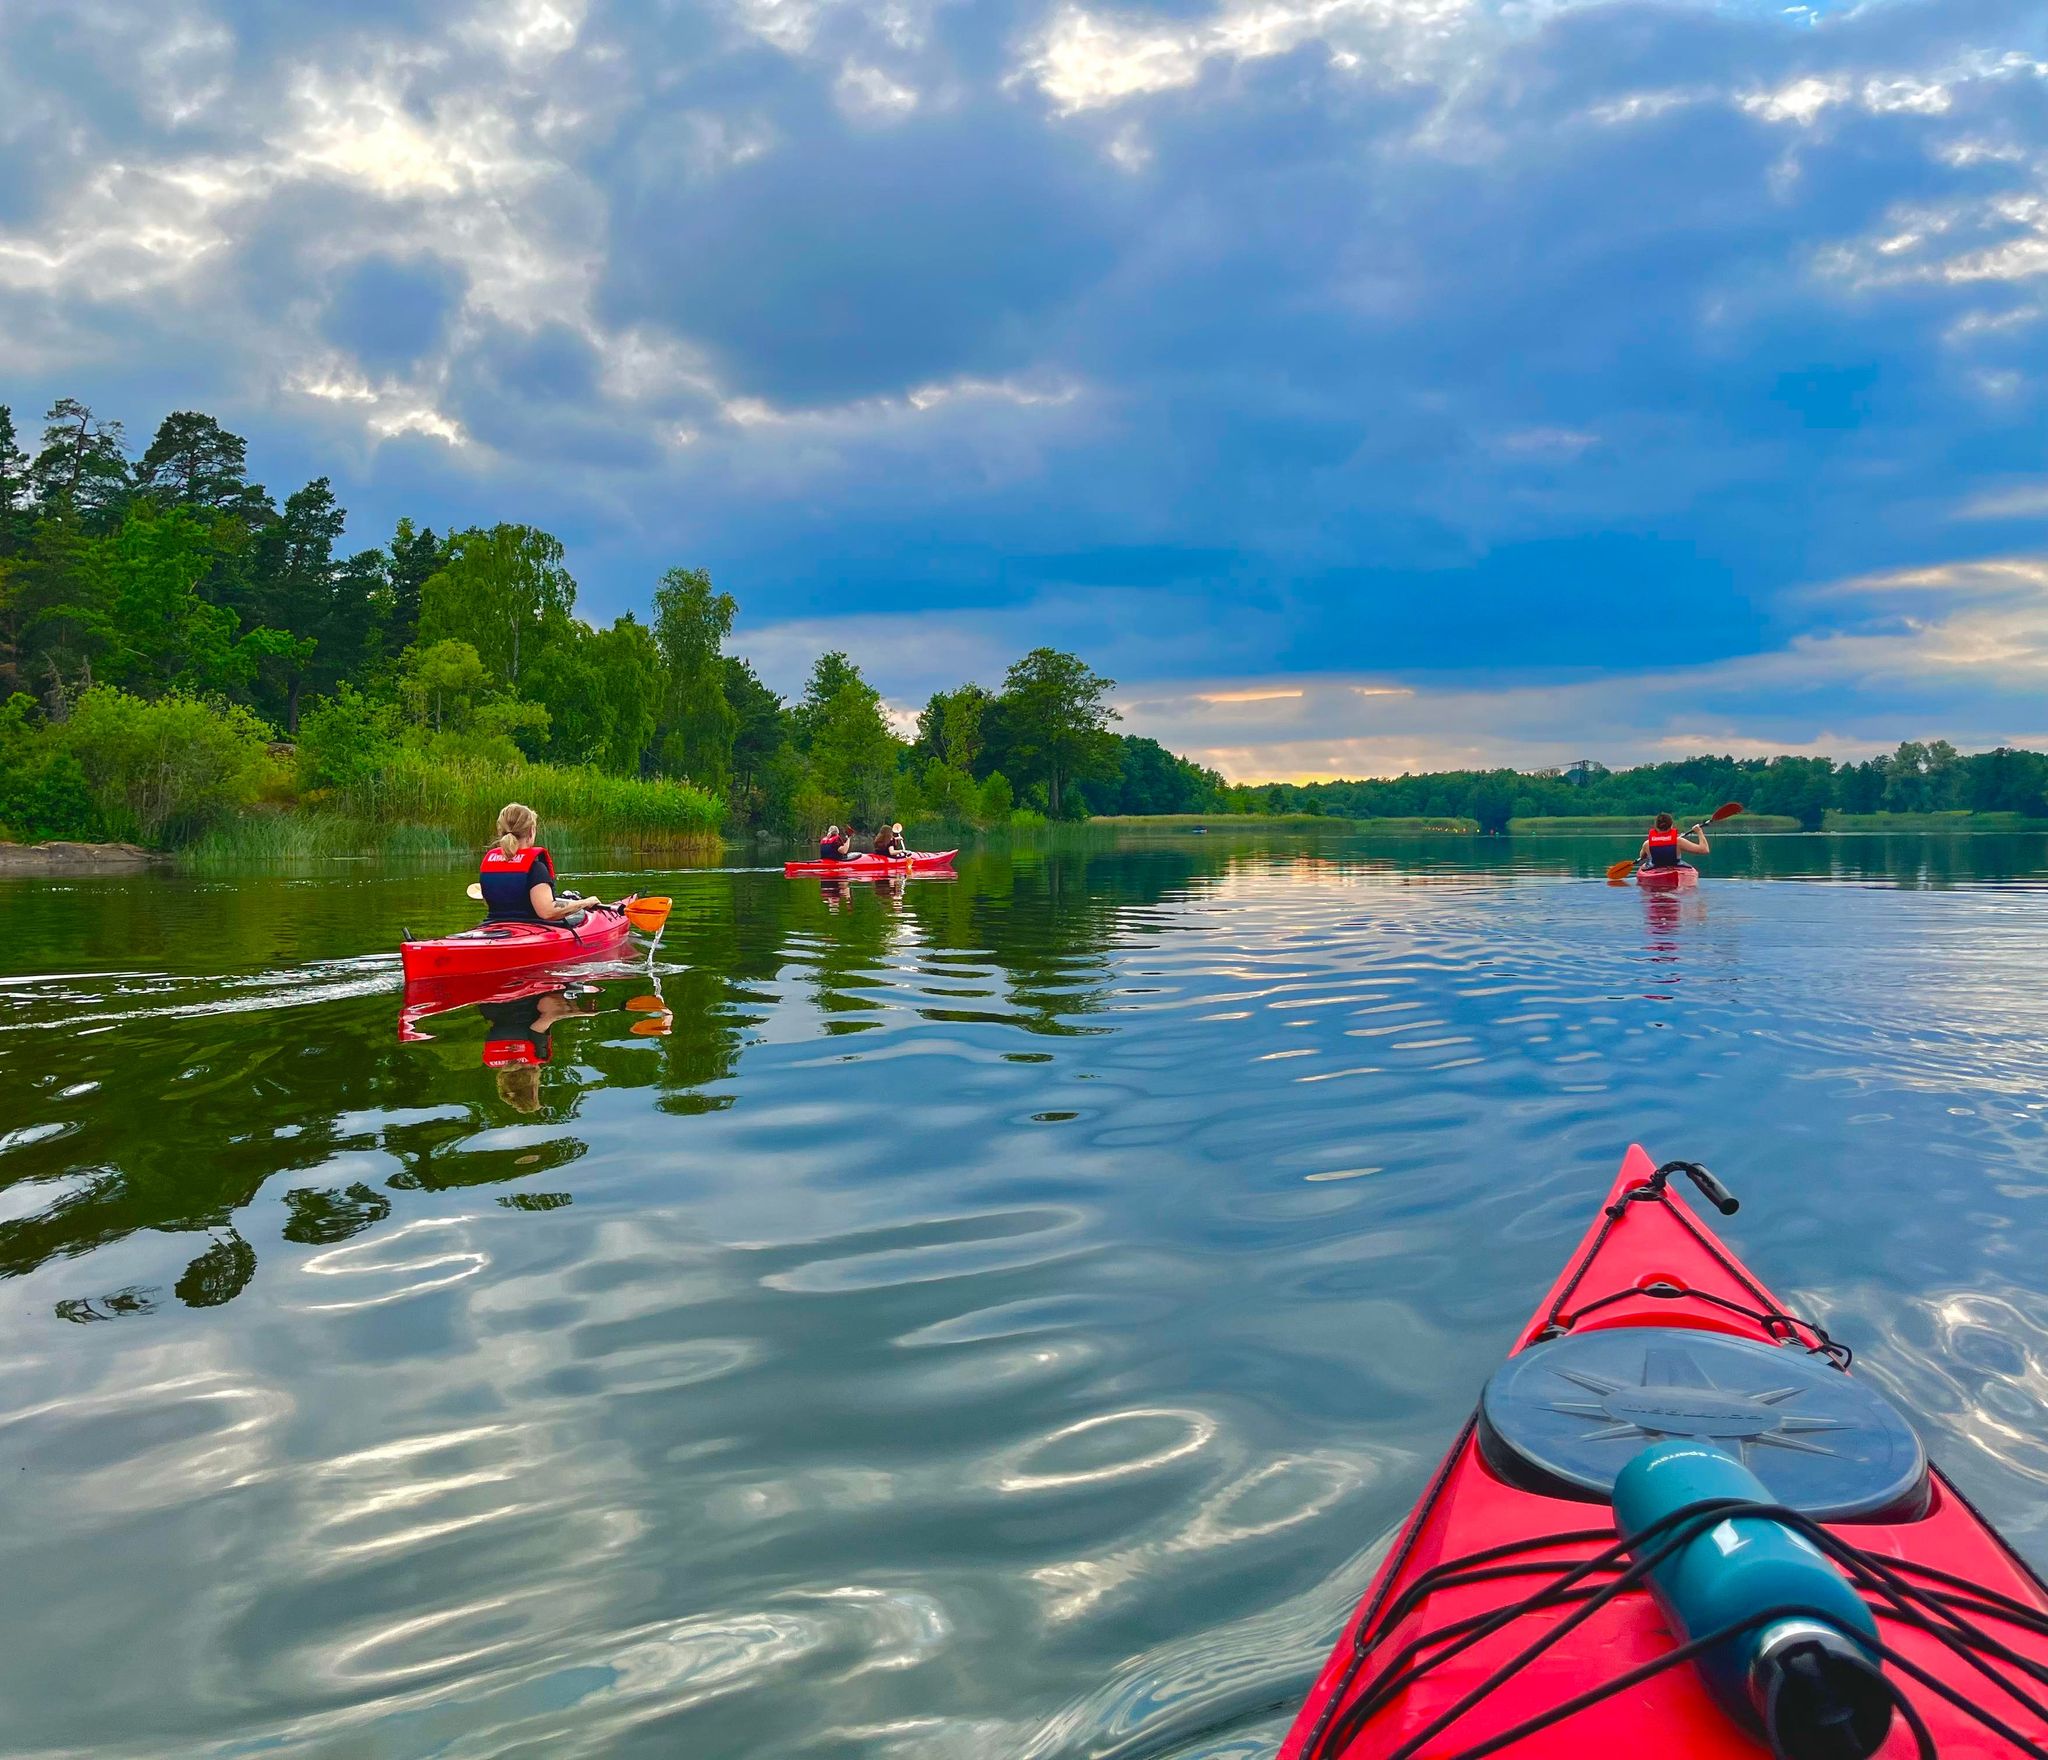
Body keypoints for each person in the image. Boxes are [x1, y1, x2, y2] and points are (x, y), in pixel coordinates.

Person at [479, 803, 615, 924]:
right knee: (580, 915)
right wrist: (586, 903)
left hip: (493, 926)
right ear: (531, 832)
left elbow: (490, 902)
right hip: (532, 928)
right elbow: (547, 912)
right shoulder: (536, 868)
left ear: (500, 831)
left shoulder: (490, 865)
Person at [1636, 811, 1710, 872]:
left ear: (1656, 826)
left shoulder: (1647, 844)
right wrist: (1699, 831)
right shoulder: (1678, 841)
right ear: (1671, 825)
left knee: (1647, 864)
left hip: (1655, 869)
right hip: (1676, 868)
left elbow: (1642, 857)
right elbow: (1704, 850)